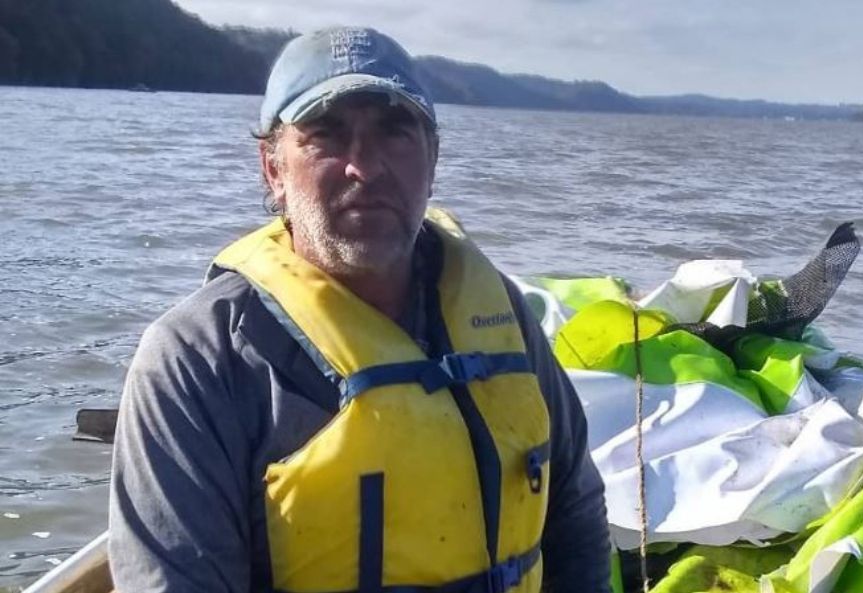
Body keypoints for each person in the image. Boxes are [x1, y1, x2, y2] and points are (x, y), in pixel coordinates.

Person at [108, 26, 612, 593]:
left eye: (395, 132)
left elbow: (575, 512)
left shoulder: (501, 317)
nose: (365, 168)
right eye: (327, 134)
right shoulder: (196, 362)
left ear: (433, 156)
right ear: (273, 169)